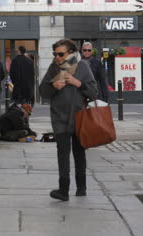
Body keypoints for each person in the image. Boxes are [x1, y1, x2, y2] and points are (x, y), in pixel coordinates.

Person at [39, 39, 98, 201]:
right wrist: (53, 86)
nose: (57, 57)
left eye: (60, 54)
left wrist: (78, 83)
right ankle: (63, 190)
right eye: (55, 54)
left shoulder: (83, 67)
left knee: (79, 153)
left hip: (79, 117)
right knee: (62, 153)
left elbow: (94, 92)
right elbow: (42, 91)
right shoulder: (53, 69)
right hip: (60, 118)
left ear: (71, 53)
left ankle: (81, 187)